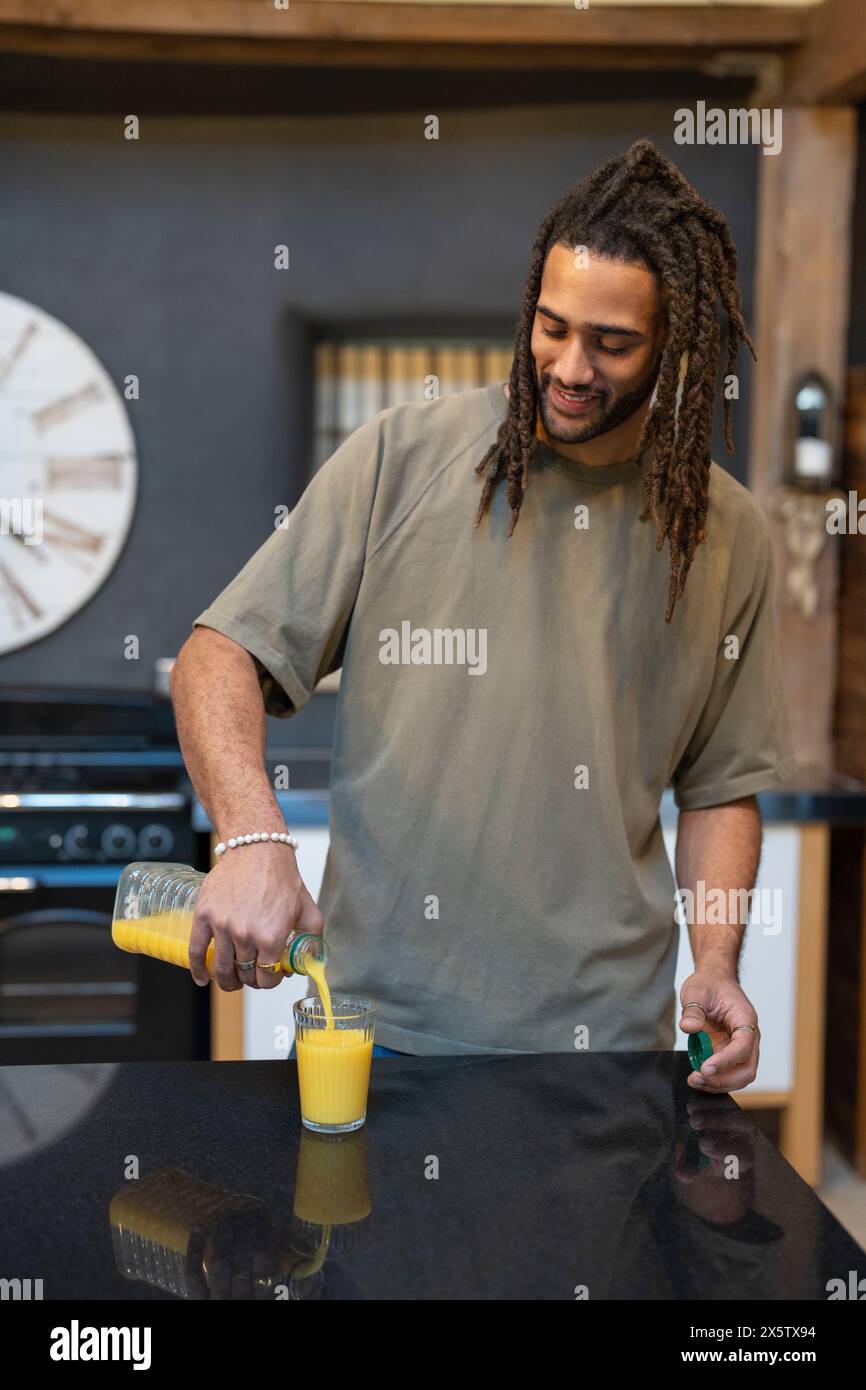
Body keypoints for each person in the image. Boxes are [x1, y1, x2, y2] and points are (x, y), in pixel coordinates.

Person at [170, 138, 796, 1090]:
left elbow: (719, 788)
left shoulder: (728, 532)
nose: (570, 365)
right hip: (375, 1029)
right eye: (551, 326)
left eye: (613, 342)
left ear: (678, 342)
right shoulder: (403, 456)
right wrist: (253, 836)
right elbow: (220, 652)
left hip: (606, 1045)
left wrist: (716, 963)